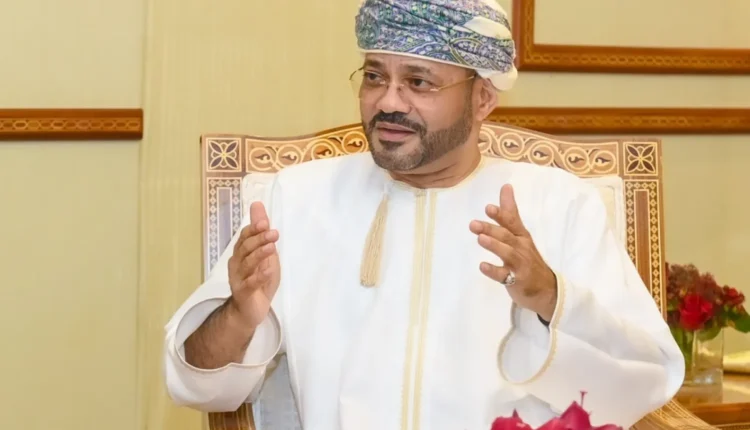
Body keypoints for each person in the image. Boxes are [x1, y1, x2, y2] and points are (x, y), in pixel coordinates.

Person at [163, 0, 685, 429]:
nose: (388, 102)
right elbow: (195, 383)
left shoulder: (558, 204)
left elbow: (643, 382)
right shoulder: (298, 198)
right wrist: (240, 315)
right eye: (374, 77)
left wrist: (551, 299)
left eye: (419, 82)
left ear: (483, 99)